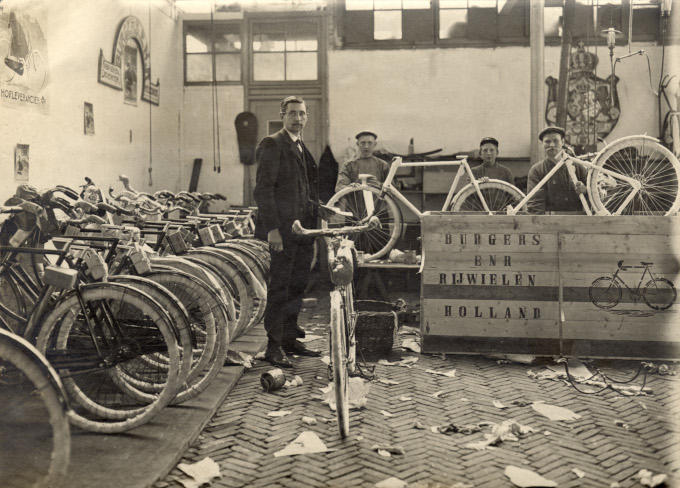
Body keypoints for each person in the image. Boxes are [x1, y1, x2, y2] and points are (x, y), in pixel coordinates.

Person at [253, 95, 321, 368]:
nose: (298, 118)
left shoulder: (301, 146)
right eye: (292, 113)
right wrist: (272, 230)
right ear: (282, 115)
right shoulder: (273, 143)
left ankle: (290, 338)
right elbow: (263, 190)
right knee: (280, 287)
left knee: (297, 285)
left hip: (303, 231)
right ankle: (273, 346)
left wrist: (319, 218)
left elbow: (304, 190)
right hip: (282, 230)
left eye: (302, 114)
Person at [526, 126, 587, 214]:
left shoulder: (578, 167)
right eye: (547, 141)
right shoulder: (537, 170)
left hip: (576, 219)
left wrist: (585, 190)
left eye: (555, 141)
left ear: (562, 142)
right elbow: (535, 203)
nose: (551, 145)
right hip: (549, 220)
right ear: (542, 144)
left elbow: (594, 195)